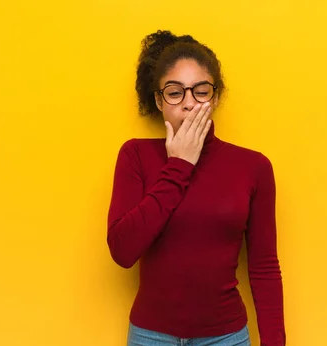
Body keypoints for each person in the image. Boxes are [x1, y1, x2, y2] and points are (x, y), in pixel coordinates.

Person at [107, 30, 286, 346]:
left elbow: (264, 268)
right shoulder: (135, 155)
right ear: (160, 100)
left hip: (225, 337)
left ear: (215, 97)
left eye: (200, 91)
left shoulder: (254, 167)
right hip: (151, 336)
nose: (189, 103)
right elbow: (122, 251)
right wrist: (179, 166)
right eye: (175, 92)